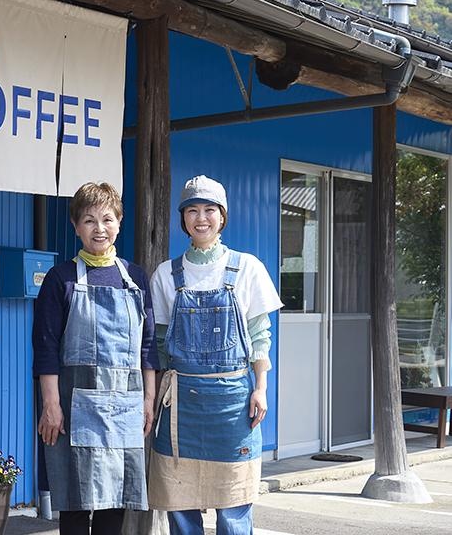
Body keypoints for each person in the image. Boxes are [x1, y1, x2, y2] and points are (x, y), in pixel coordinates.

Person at [148, 175, 283, 535]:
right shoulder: (165, 274)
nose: (201, 218)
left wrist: (261, 387)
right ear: (183, 219)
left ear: (222, 217)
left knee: (234, 503)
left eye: (210, 210)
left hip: (233, 401)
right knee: (180, 504)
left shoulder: (247, 267)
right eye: (192, 210)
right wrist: (154, 396)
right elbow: (160, 343)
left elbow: (259, 335)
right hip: (181, 405)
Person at [33, 182, 158, 535]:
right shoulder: (61, 279)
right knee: (76, 501)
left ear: (119, 223)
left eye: (107, 219)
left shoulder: (135, 278)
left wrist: (148, 399)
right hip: (73, 407)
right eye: (89, 220)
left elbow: (148, 346)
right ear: (76, 227)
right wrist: (51, 404)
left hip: (124, 405)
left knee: (116, 500)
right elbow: (44, 348)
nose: (99, 229)